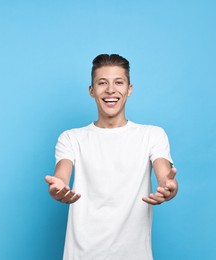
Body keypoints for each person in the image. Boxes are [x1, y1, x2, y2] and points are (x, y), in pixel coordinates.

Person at [45, 54, 178, 260]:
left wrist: (169, 186)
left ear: (129, 89)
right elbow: (61, 174)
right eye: (102, 83)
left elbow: (164, 175)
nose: (110, 90)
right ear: (92, 90)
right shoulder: (71, 138)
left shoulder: (152, 135)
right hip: (82, 254)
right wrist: (58, 187)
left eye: (118, 82)